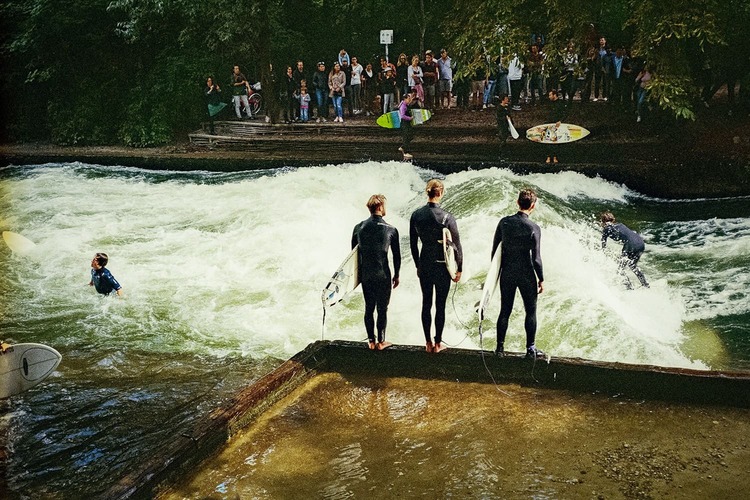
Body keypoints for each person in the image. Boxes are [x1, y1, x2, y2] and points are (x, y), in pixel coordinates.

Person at [409, 179, 463, 353]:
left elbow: (412, 244)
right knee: (440, 305)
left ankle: (427, 343)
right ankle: (438, 343)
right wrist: (459, 268)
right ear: (441, 193)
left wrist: (418, 265)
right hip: (442, 266)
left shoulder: (416, 215)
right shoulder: (447, 217)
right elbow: (456, 245)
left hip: (425, 264)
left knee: (426, 303)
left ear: (428, 192)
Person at [491, 189, 545, 359]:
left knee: (505, 310)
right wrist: (541, 279)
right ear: (533, 206)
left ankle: (499, 349)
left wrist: (495, 274)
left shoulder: (504, 223)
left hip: (507, 271)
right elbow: (536, 258)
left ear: (517, 202)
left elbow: (495, 252)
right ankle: (530, 349)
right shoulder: (533, 228)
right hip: (526, 273)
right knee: (530, 311)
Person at [351, 194, 401, 350]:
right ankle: (381, 342)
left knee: (369, 308)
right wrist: (397, 275)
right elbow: (397, 256)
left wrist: (358, 276)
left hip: (366, 275)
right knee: (382, 309)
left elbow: (353, 254)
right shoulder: (391, 229)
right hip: (383, 275)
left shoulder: (358, 228)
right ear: (380, 207)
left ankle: (371, 342)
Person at [600, 211, 650, 289]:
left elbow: (603, 246)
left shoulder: (606, 229)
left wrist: (606, 255)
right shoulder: (620, 225)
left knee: (620, 269)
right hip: (640, 243)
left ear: (603, 222)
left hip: (630, 244)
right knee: (632, 265)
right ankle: (645, 285)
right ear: (613, 219)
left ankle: (629, 288)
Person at [397, 91, 415, 160]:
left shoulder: (404, 104)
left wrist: (411, 99)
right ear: (405, 99)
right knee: (406, 136)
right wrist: (410, 118)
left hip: (407, 123)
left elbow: (409, 103)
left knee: (410, 135)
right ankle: (405, 151)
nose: (409, 100)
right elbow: (402, 116)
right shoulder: (403, 106)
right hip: (404, 123)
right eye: (408, 99)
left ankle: (403, 148)